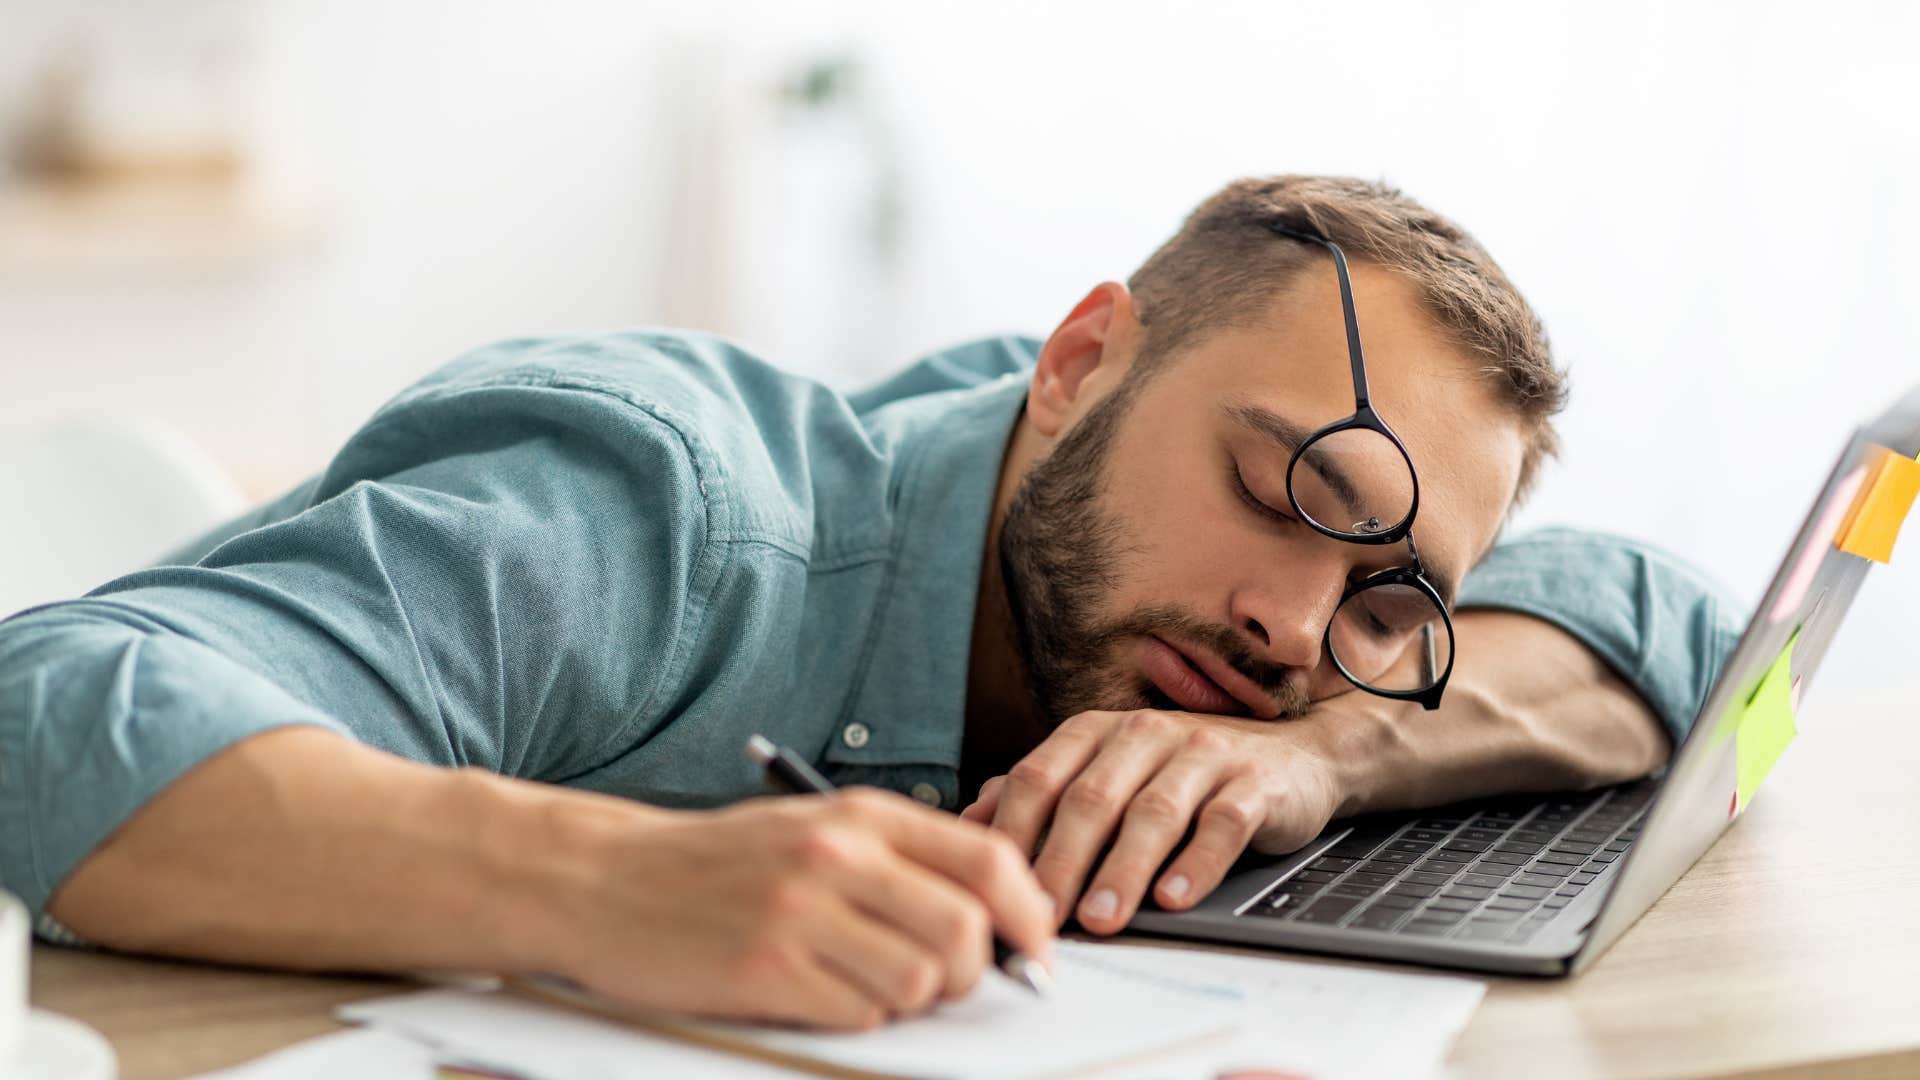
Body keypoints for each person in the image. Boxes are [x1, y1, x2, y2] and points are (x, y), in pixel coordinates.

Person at [0, 176, 1739, 1030]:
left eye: (1387, 594)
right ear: (1079, 365)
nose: (1296, 627)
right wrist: (606, 886)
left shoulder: (1294, 656)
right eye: (1286, 488)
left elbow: (1681, 626)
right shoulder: (664, 511)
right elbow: (43, 707)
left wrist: (1323, 757)